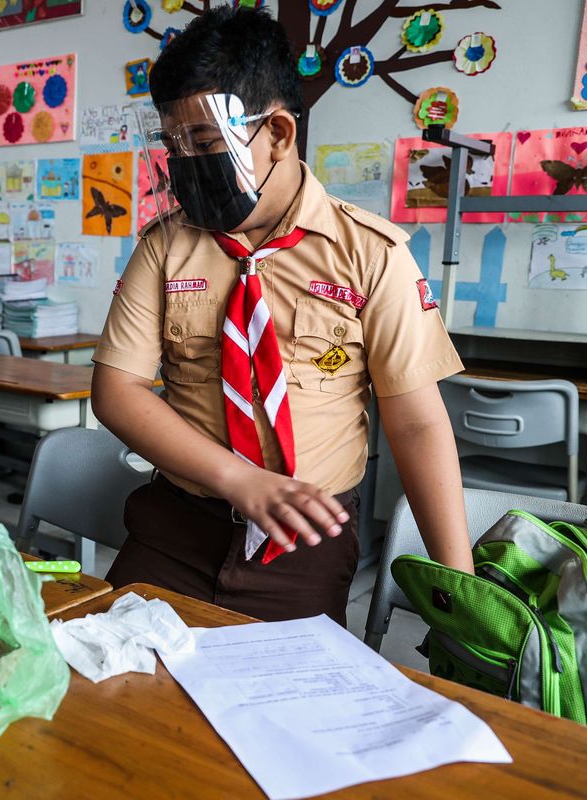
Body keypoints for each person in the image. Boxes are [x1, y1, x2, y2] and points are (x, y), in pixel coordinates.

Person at [92, 6, 473, 626]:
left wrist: (460, 594)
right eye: (173, 145)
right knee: (114, 693)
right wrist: (237, 479)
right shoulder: (166, 246)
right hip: (176, 529)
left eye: (208, 144)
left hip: (305, 543)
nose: (186, 163)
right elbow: (117, 390)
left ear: (277, 133)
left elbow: (417, 425)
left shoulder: (371, 256)